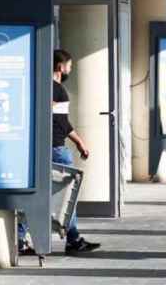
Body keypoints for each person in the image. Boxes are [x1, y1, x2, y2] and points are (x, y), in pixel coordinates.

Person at [18, 49, 101, 256]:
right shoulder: (58, 90)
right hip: (57, 148)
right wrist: (81, 143)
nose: (70, 69)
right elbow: (62, 123)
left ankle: (21, 238)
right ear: (60, 67)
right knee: (67, 195)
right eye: (70, 66)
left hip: (38, 147)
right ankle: (73, 240)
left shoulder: (37, 85)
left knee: (35, 193)